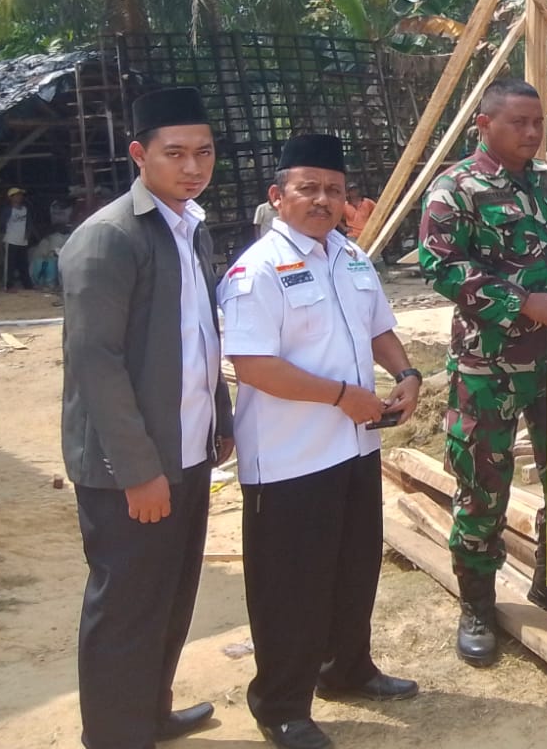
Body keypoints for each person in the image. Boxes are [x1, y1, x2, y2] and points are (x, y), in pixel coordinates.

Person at [219, 135, 421, 749]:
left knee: (352, 568)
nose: (323, 200)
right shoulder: (255, 272)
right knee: (290, 584)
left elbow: (378, 326)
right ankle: (281, 704)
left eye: (334, 190)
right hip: (288, 458)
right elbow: (253, 366)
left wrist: (406, 374)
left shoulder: (351, 258)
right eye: (308, 188)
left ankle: (348, 669)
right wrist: (340, 397)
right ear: (278, 197)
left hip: (355, 448)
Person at [60, 86, 233, 749]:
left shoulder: (191, 227)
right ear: (139, 154)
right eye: (175, 153)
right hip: (128, 468)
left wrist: (218, 417)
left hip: (185, 450)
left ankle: (150, 711)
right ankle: (113, 734)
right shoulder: (108, 239)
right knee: (126, 604)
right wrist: (138, 471)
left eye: (204, 152)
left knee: (170, 594)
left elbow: (198, 336)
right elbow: (95, 365)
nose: (193, 166)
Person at [419, 78, 547, 668]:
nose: (530, 133)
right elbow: (440, 263)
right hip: (487, 366)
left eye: (536, 122)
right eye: (518, 122)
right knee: (483, 483)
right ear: (485, 125)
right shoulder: (456, 188)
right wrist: (520, 302)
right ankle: (476, 604)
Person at [2, 186, 33, 290]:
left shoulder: (25, 209)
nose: (20, 197)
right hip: (10, 240)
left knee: (23, 264)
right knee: (9, 265)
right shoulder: (7, 210)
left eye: (21, 195)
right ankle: (8, 285)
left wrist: (27, 234)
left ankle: (28, 285)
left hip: (22, 241)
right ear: (11, 197)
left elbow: (29, 223)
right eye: (17, 195)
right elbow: (2, 224)